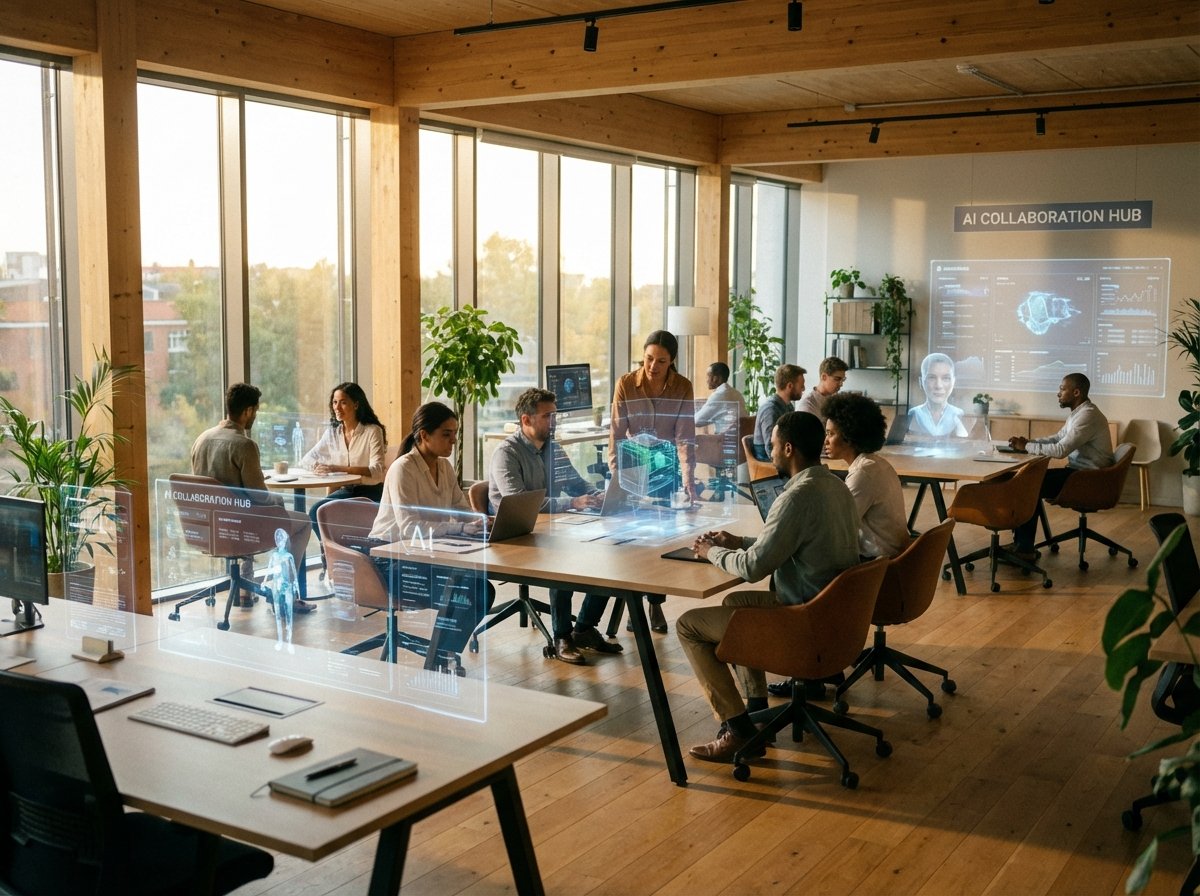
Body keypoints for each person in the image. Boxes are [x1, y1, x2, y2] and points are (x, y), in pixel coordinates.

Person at [678, 411, 860, 762]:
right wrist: (739, 540)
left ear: (788, 448)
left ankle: (739, 731)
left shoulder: (795, 497)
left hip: (803, 618)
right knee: (734, 601)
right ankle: (757, 707)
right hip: (833, 610)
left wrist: (710, 551)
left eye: (773, 445)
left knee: (689, 625)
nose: (769, 450)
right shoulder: (834, 485)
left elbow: (752, 568)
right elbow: (789, 541)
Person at [489, 388, 621, 664]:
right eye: (548, 416)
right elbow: (520, 502)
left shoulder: (553, 448)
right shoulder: (506, 454)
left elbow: (576, 482)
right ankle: (562, 636)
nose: (554, 422)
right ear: (526, 420)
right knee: (562, 560)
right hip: (513, 536)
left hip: (546, 528)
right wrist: (573, 502)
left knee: (610, 554)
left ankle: (584, 628)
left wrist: (596, 495)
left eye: (555, 415)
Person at [368, 402, 495, 661]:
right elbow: (410, 528)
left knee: (482, 588)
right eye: (446, 434)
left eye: (455, 434)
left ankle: (441, 651)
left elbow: (460, 508)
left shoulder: (445, 467)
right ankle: (439, 655)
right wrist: (460, 527)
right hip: (391, 559)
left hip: (425, 554)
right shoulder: (403, 469)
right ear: (424, 435)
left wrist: (483, 520)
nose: (453, 441)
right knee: (466, 590)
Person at [190, 383, 315, 614]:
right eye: (255, 410)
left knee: (259, 514)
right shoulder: (245, 445)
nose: (255, 415)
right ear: (248, 411)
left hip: (207, 527)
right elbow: (259, 497)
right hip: (240, 528)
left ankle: (246, 591)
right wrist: (278, 501)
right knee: (303, 523)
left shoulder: (202, 439)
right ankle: (284, 594)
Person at [609, 329, 697, 633]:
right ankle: (635, 608)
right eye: (648, 359)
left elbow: (685, 436)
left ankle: (655, 603)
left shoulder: (683, 387)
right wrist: (616, 477)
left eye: (661, 361)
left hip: (666, 468)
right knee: (634, 544)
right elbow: (617, 434)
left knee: (660, 542)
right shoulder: (625, 384)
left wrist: (688, 478)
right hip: (633, 465)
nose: (653, 366)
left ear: (672, 361)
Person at [1009, 373, 1114, 558]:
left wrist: (1027, 447)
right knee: (1029, 479)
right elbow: (1058, 438)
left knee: (1029, 484)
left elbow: (1060, 450)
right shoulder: (1079, 413)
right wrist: (1029, 442)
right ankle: (1021, 543)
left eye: (1062, 389)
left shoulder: (1087, 416)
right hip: (1080, 474)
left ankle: (1024, 548)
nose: (1058, 393)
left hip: (1087, 479)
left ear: (1076, 392)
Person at [823, 393, 909, 559]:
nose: (825, 440)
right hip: (895, 554)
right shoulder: (877, 464)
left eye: (830, 434)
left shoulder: (862, 474)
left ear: (849, 436)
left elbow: (838, 526)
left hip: (878, 562)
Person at [302, 382, 388, 538]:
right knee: (317, 513)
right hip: (347, 491)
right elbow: (307, 459)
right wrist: (318, 467)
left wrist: (336, 468)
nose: (337, 407)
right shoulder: (333, 433)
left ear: (355, 404)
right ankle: (332, 551)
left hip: (370, 492)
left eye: (343, 402)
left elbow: (376, 470)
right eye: (335, 402)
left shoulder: (372, 431)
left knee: (317, 511)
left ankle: (336, 550)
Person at [908, 353, 968, 438]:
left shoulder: (958, 414)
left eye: (946, 378)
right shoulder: (914, 414)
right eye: (931, 378)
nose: (938, 386)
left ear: (953, 382)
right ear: (921, 382)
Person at [753, 364, 805, 459]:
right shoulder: (770, 409)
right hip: (768, 464)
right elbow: (771, 448)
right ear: (789, 386)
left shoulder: (788, 406)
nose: (804, 388)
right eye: (801, 386)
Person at [263, 528, 298, 648]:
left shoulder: (289, 556)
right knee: (277, 613)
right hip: (276, 585)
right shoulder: (274, 556)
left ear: (284, 540)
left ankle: (289, 641)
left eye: (280, 539)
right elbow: (269, 570)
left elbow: (293, 573)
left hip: (287, 585)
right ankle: (280, 640)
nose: (278, 541)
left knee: (289, 613)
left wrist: (296, 588)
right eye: (277, 539)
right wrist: (264, 581)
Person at [694, 361, 746, 433]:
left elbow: (697, 421)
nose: (706, 380)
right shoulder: (736, 393)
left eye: (708, 376)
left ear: (715, 378)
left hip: (726, 441)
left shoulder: (719, 395)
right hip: (739, 438)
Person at [795, 356, 848, 422]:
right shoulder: (808, 407)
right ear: (824, 377)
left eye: (843, 380)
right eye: (837, 379)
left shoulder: (835, 400)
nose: (841, 384)